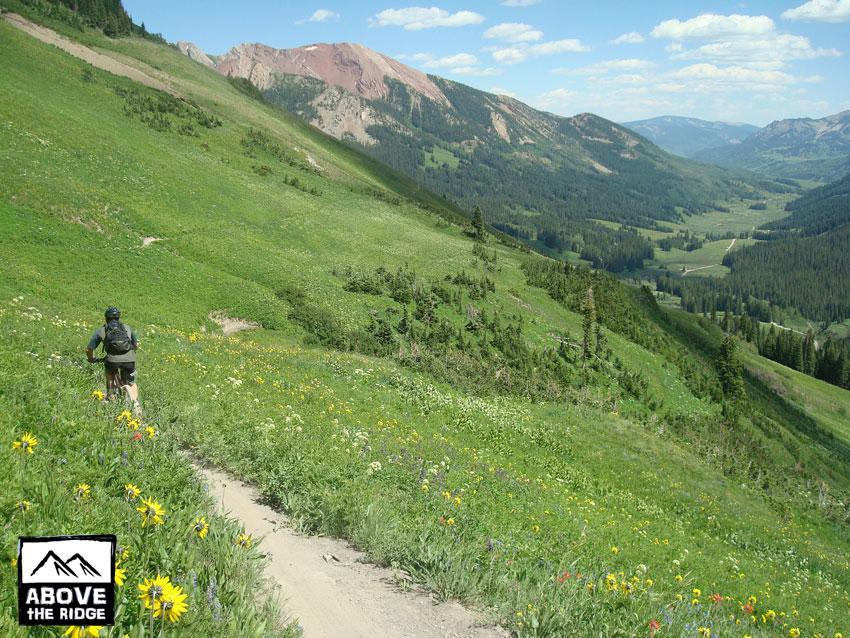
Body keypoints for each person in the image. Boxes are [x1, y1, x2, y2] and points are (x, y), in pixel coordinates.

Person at [86, 306, 141, 413]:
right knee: (131, 382)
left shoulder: (101, 330)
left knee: (110, 375)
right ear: (118, 317)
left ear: (106, 318)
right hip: (129, 359)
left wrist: (91, 358)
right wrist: (131, 354)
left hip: (112, 361)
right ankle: (135, 402)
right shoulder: (127, 328)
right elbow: (136, 344)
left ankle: (111, 396)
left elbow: (89, 348)